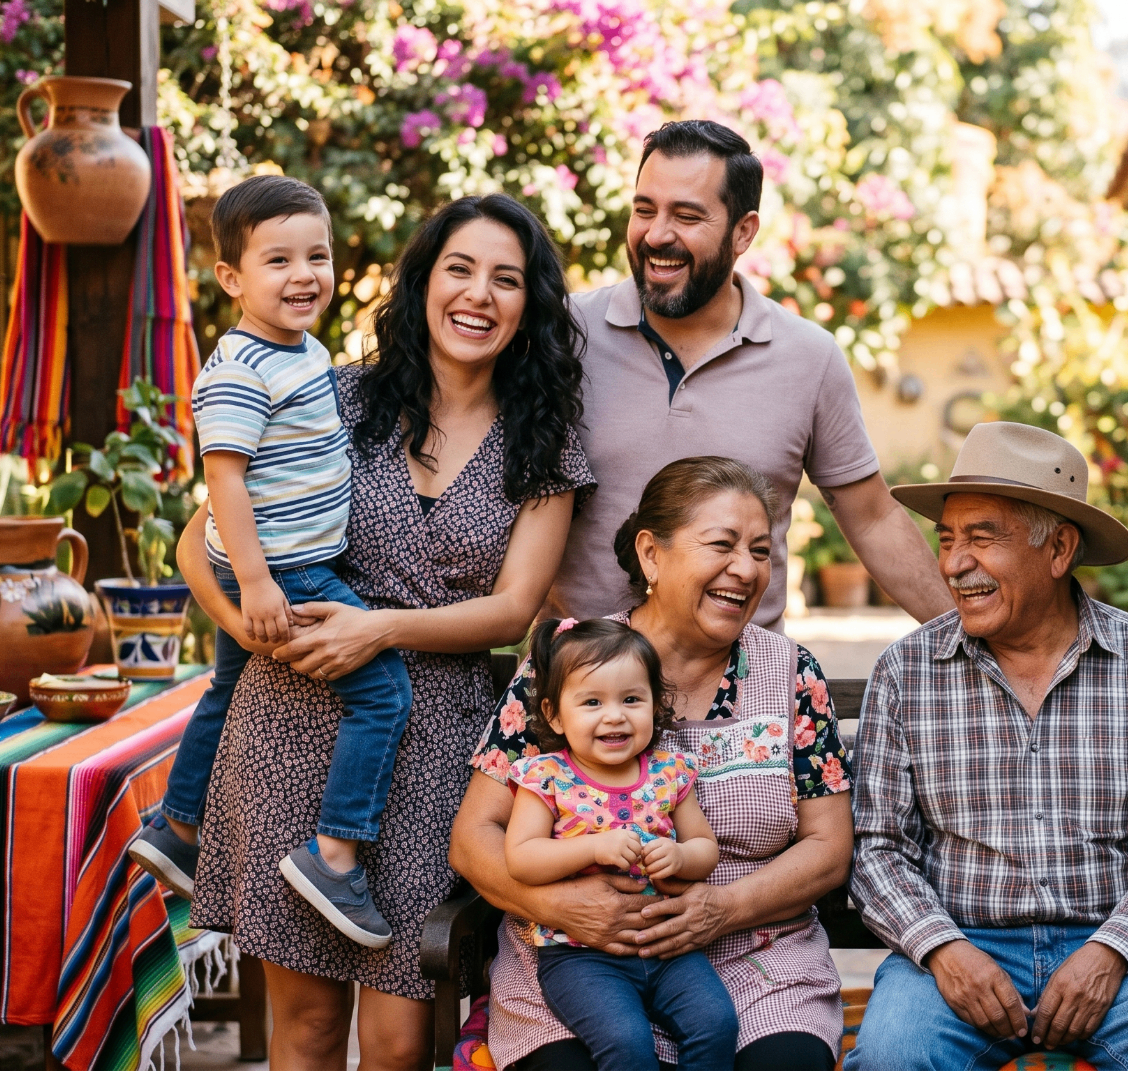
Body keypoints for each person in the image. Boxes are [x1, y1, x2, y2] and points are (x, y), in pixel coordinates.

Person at [176, 193, 595, 1069]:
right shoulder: (333, 393)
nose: (479, 294)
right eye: (460, 269)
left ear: (530, 305)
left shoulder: (544, 440)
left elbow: (515, 609)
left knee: (403, 1034)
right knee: (310, 1025)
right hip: (292, 720)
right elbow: (197, 540)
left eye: (506, 279)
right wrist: (250, 626)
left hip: (437, 740)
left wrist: (378, 631)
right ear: (422, 281)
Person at [847, 421, 1128, 1071]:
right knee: (893, 1057)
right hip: (959, 943)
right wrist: (942, 949)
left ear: (1059, 548)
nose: (953, 563)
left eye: (982, 538)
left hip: (1125, 951)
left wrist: (1111, 949)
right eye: (947, 539)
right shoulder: (907, 670)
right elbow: (878, 848)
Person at [453, 457, 853, 1071]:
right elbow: (474, 837)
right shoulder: (569, 661)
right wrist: (562, 908)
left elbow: (829, 844)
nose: (746, 570)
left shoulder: (791, 673)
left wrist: (724, 908)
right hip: (576, 962)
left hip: (754, 962)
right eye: (722, 545)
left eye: (761, 551)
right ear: (651, 554)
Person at [129, 175, 411, 949]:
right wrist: (254, 582)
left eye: (315, 256)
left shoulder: (304, 351)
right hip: (283, 569)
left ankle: (178, 825)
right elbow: (222, 480)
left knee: (224, 685)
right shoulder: (239, 370)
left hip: (276, 561)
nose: (303, 275)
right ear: (231, 278)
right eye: (278, 260)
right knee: (382, 692)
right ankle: (335, 854)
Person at [546, 118, 951, 630]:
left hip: (746, 698)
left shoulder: (809, 357)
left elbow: (872, 518)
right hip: (582, 692)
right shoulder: (564, 334)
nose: (657, 234)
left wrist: (971, 644)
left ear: (744, 232)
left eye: (687, 216)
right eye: (644, 209)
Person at [505, 617, 737, 1071]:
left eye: (632, 699)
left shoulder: (668, 773)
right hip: (581, 957)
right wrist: (592, 848)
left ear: (654, 704)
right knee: (625, 1042)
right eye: (592, 702)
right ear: (554, 714)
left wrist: (680, 856)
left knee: (716, 1023)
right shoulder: (548, 778)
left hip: (670, 950)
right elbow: (522, 858)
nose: (615, 715)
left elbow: (704, 849)